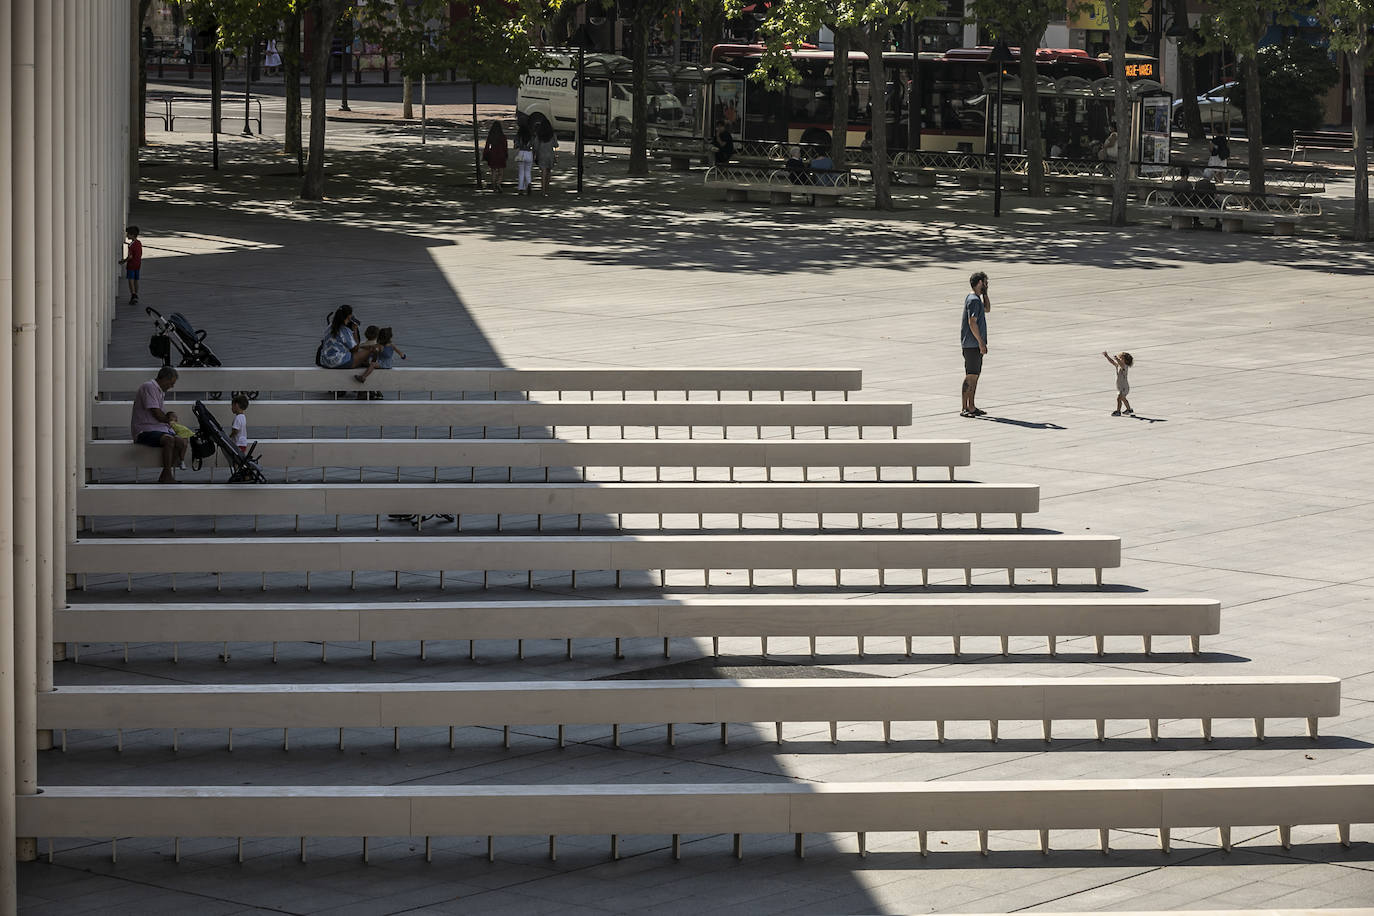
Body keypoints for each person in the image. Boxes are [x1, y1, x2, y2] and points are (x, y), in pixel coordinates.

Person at [131, 366, 188, 483]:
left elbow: (161, 414)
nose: (171, 386)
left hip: (157, 429)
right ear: (165, 379)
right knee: (169, 440)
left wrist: (170, 415)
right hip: (144, 430)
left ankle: (165, 475)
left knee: (180, 441)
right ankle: (167, 475)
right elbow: (156, 413)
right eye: (171, 383)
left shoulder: (158, 390)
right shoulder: (149, 387)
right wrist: (170, 419)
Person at [960, 271, 991, 418]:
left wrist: (985, 294)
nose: (987, 284)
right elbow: (972, 323)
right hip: (972, 344)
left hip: (975, 344)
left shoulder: (977, 299)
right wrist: (981, 342)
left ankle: (971, 406)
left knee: (975, 376)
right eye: (985, 282)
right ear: (980, 282)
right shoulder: (973, 300)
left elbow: (987, 309)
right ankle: (965, 407)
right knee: (970, 376)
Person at [317, 304, 361, 369]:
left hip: (325, 361)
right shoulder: (345, 330)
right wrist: (355, 329)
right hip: (338, 362)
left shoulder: (329, 327)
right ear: (349, 316)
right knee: (368, 352)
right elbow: (355, 349)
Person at [1103, 351, 1134, 416]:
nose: (1119, 359)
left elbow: (1121, 364)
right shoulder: (1119, 366)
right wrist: (1107, 356)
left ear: (1125, 360)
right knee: (1121, 398)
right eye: (1120, 358)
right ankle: (1129, 409)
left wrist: (1117, 359)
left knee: (1120, 398)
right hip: (1120, 387)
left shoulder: (1125, 366)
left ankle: (1118, 411)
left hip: (1124, 387)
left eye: (1121, 359)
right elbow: (1112, 362)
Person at [118, 225, 142, 305]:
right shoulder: (139, 243)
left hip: (131, 265)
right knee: (136, 280)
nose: (127, 235)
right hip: (138, 264)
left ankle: (133, 295)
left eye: (128, 234)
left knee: (130, 280)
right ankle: (136, 294)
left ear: (132, 235)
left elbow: (130, 256)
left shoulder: (131, 245)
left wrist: (123, 261)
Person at [482, 122, 509, 192]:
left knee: (493, 171)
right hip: (501, 155)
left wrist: (486, 155)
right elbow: (505, 147)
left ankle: (493, 185)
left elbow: (487, 146)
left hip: (493, 154)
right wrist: (506, 155)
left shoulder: (491, 136)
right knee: (501, 171)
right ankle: (498, 183)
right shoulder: (503, 136)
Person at [534, 120, 558, 195]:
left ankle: (543, 190)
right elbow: (556, 145)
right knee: (548, 172)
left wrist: (535, 154)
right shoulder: (552, 134)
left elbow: (536, 146)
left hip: (542, 154)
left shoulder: (539, 135)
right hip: (550, 154)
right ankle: (547, 188)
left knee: (543, 172)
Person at [514, 123, 535, 195]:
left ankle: (520, 188)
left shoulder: (518, 136)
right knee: (528, 171)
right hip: (529, 153)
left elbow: (516, 145)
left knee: (521, 172)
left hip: (521, 153)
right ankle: (528, 183)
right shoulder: (531, 136)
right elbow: (533, 144)